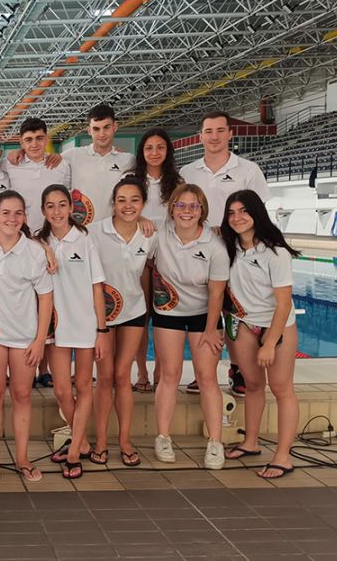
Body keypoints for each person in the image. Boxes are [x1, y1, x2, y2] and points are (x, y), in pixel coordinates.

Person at [180, 110, 273, 396]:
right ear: (201, 136)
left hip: (237, 252)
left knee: (234, 311)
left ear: (230, 134)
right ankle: (204, 370)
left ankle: (237, 368)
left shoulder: (248, 169)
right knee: (203, 311)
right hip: (198, 252)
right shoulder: (188, 172)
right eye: (209, 131)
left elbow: (261, 213)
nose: (214, 137)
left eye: (220, 130)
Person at [0, 191, 54, 482]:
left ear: (25, 217)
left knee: (22, 395)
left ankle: (22, 458)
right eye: (5, 212)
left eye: (18, 213)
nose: (12, 218)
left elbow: (46, 298)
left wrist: (39, 341)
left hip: (24, 338)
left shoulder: (34, 253)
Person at [221, 190, 300, 478]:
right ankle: (251, 442)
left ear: (256, 213)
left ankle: (282, 456)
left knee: (281, 388)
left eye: (243, 211)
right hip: (243, 324)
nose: (237, 218)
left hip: (276, 326)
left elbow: (283, 303)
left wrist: (269, 343)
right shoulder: (228, 247)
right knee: (253, 385)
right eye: (231, 213)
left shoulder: (274, 251)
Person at [151, 184, 228, 470]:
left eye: (193, 206)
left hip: (203, 315)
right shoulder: (160, 234)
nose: (186, 211)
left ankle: (215, 442)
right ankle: (163, 436)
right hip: (167, 312)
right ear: (172, 209)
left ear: (202, 210)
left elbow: (217, 293)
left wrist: (210, 330)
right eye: (181, 206)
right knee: (169, 374)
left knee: (207, 377)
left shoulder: (214, 245)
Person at [35, 185, 108, 477]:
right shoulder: (38, 242)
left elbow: (97, 286)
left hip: (85, 324)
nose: (56, 211)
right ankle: (84, 440)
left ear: (70, 208)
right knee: (63, 389)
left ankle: (75, 450)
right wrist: (42, 247)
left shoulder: (85, 240)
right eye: (50, 206)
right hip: (56, 326)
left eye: (62, 205)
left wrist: (102, 329)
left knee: (82, 387)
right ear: (43, 211)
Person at [88, 177, 156, 467]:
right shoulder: (93, 232)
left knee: (122, 377)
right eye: (122, 200)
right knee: (104, 378)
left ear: (143, 204)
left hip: (134, 312)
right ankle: (102, 441)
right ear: (113, 203)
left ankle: (125, 440)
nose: (128, 206)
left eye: (135, 200)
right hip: (102, 315)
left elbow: (150, 272)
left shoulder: (150, 234)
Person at [130, 129, 183, 393]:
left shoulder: (177, 182)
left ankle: (160, 369)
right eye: (149, 147)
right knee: (141, 316)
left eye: (160, 147)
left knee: (164, 317)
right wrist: (138, 219)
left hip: (167, 256)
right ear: (142, 152)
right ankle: (141, 371)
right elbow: (121, 210)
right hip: (138, 255)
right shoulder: (131, 180)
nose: (154, 153)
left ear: (167, 151)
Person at [59, 104, 136, 225]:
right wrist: (20, 152)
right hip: (82, 231)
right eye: (96, 129)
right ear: (89, 130)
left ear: (115, 126)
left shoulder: (128, 160)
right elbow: (43, 159)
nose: (102, 134)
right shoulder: (72, 155)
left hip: (114, 230)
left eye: (106, 127)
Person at [5, 118, 72, 233]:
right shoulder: (10, 164)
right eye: (28, 140)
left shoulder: (62, 165)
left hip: (54, 233)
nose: (34, 144)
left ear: (46, 139)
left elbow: (67, 198)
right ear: (21, 143)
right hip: (21, 233)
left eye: (39, 138)